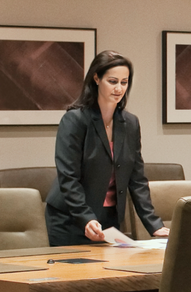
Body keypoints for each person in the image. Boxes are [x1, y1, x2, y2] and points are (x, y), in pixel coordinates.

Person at [45, 50, 170, 246]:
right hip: (71, 220)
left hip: (109, 219)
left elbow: (136, 179)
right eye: (112, 81)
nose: (119, 88)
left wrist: (154, 224)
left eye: (124, 82)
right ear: (96, 78)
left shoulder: (130, 123)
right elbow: (68, 177)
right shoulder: (75, 120)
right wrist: (86, 218)